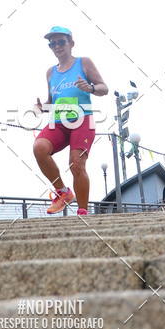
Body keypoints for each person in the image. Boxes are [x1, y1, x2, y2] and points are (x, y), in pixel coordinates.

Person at [33, 26, 108, 216]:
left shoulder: (84, 63)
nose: (57, 46)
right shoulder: (50, 72)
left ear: (71, 44)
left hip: (82, 120)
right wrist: (42, 108)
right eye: (52, 43)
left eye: (61, 42)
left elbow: (103, 88)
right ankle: (63, 192)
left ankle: (83, 211)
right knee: (39, 147)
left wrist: (90, 88)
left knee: (76, 164)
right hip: (58, 122)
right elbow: (52, 101)